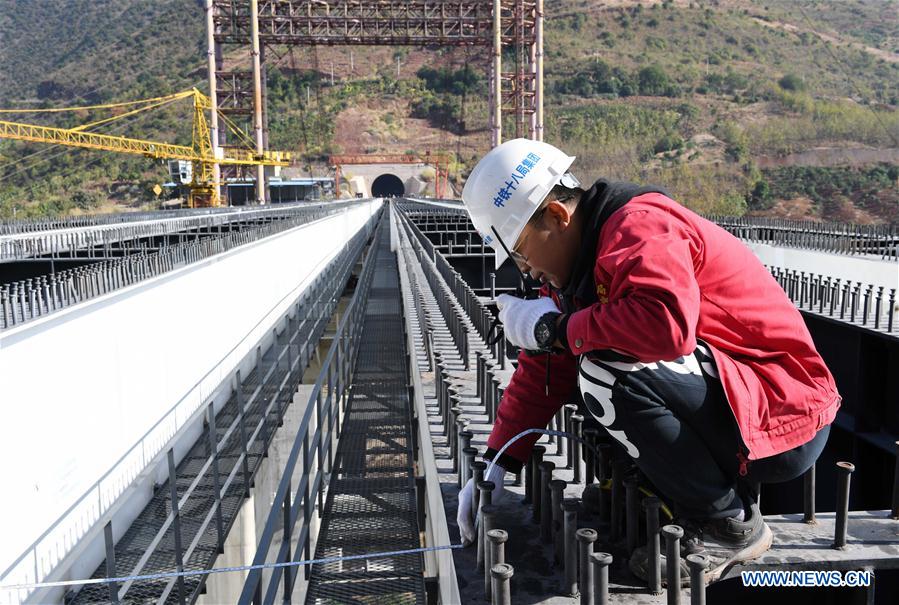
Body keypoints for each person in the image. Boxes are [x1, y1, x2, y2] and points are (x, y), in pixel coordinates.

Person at [455, 138, 840, 584]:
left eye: (522, 254)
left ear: (558, 217)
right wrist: (498, 462)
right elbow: (546, 367)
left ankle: (728, 524)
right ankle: (658, 494)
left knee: (604, 366)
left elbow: (664, 327)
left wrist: (555, 329)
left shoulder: (638, 227)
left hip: (782, 413)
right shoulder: (577, 267)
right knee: (588, 350)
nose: (526, 271)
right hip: (735, 409)